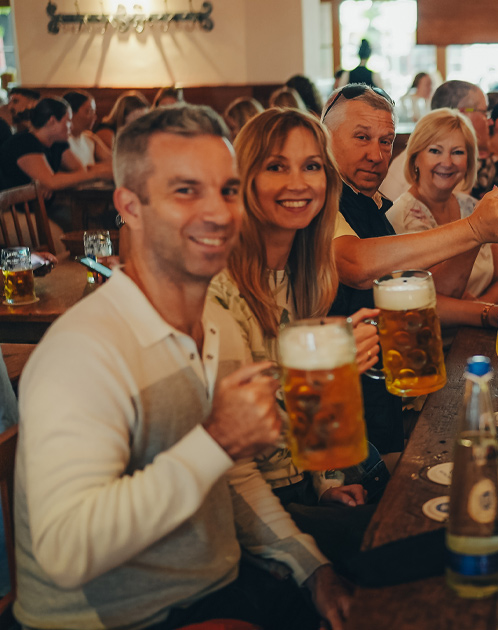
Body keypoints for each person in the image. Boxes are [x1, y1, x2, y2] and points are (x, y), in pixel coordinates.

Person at [14, 104, 351, 630]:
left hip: (223, 588)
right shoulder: (82, 353)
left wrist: (312, 569)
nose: (218, 213)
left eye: (228, 190)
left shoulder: (217, 326)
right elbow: (65, 553)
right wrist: (215, 441)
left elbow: (233, 476)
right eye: (185, 191)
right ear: (130, 206)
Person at [207, 107, 381, 566]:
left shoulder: (307, 273)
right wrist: (325, 366)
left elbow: (312, 421)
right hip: (245, 507)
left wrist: (329, 484)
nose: (299, 183)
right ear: (243, 179)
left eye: (311, 166)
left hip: (300, 482)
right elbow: (234, 448)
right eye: (276, 166)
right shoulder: (218, 286)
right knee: (398, 539)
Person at [321, 84, 498, 451]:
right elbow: (355, 264)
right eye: (362, 137)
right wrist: (474, 228)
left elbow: (423, 293)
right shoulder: (322, 199)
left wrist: (475, 233)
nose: (376, 154)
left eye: (385, 141)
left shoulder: (376, 205)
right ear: (325, 139)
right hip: (339, 414)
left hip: (384, 398)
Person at [385, 108, 498, 328]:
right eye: (435, 151)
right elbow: (432, 296)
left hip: (476, 334)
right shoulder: (400, 218)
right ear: (415, 158)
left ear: (469, 162)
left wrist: (480, 308)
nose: (447, 161)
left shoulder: (472, 206)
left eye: (457, 152)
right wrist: (485, 311)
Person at [0, 97, 112, 191]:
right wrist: (96, 174)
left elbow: (79, 170)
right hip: (12, 212)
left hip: (41, 208)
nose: (71, 126)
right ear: (52, 121)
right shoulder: (25, 143)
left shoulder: (57, 142)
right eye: (68, 121)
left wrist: (56, 180)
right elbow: (51, 182)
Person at [62, 90, 112, 169]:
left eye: (94, 112)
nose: (94, 117)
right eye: (89, 111)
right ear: (71, 113)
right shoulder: (61, 141)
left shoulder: (90, 139)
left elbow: (112, 163)